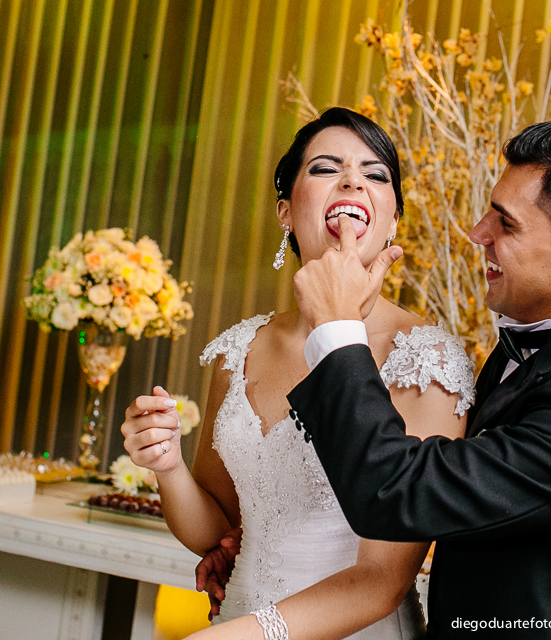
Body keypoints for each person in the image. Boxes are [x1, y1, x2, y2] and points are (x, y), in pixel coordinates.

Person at [286, 115, 551, 639]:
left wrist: (337, 327)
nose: (477, 233)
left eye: (505, 222)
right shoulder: (534, 343)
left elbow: (396, 491)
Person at [122, 108, 475, 639]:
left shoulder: (427, 361)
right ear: (286, 212)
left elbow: (381, 580)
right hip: (237, 615)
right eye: (326, 168)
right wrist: (167, 466)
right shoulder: (239, 349)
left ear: (393, 220)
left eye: (375, 174)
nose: (354, 180)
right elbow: (218, 530)